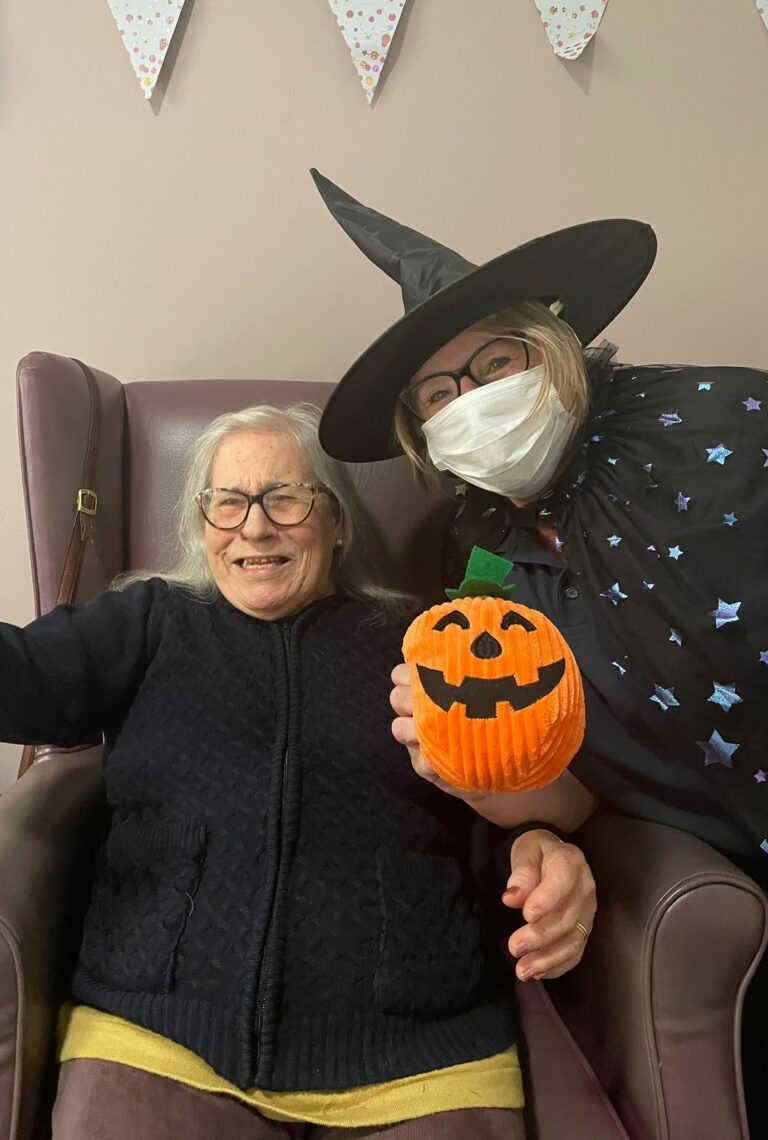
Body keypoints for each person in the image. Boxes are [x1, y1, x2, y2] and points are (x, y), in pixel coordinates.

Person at [310, 169, 768, 1132]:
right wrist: (491, 790)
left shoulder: (717, 422)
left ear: (552, 346)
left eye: (494, 363)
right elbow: (566, 777)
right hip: (739, 885)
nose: (471, 400)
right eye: (439, 393)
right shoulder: (481, 563)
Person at [1, 402, 596, 1140]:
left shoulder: (424, 643)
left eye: (285, 498)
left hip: (423, 1062)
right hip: (155, 1040)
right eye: (228, 502)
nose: (254, 527)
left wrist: (539, 842)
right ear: (202, 523)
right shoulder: (150, 621)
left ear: (336, 521)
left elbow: (504, 791)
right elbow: (21, 678)